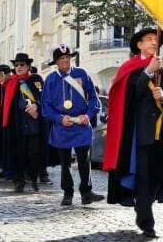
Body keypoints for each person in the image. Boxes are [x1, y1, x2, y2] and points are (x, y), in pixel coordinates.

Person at [103, 28, 163, 239]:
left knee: (156, 178)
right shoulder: (130, 70)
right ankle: (147, 222)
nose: (152, 43)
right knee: (143, 178)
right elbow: (130, 95)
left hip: (160, 135)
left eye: (155, 40)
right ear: (139, 45)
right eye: (148, 39)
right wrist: (148, 71)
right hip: (138, 135)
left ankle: (142, 207)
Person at [41, 44, 103, 206]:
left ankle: (86, 192)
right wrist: (59, 119)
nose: (65, 60)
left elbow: (94, 100)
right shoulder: (51, 79)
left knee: (84, 160)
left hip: (81, 124)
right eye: (61, 58)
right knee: (65, 163)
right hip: (62, 125)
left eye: (67, 57)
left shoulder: (81, 74)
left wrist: (88, 115)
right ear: (56, 62)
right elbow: (46, 106)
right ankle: (67, 193)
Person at [2, 53, 45, 193]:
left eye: (22, 65)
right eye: (16, 65)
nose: (19, 67)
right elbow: (8, 104)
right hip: (17, 124)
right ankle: (18, 181)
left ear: (28, 66)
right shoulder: (10, 83)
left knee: (34, 154)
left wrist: (37, 106)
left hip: (33, 124)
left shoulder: (36, 80)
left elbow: (44, 97)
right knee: (17, 154)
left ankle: (33, 179)